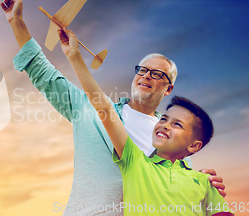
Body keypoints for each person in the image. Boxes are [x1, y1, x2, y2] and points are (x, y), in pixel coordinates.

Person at [1, 0, 226, 215]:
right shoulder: (88, 108)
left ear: (169, 89)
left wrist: (205, 182)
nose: (146, 76)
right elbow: (44, 73)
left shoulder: (170, 138)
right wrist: (16, 21)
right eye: (142, 70)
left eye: (157, 74)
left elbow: (181, 190)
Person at [59, 27, 233, 215]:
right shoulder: (135, 163)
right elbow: (104, 108)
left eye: (177, 124)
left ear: (194, 146)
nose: (165, 125)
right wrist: (75, 56)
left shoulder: (203, 182)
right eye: (164, 119)